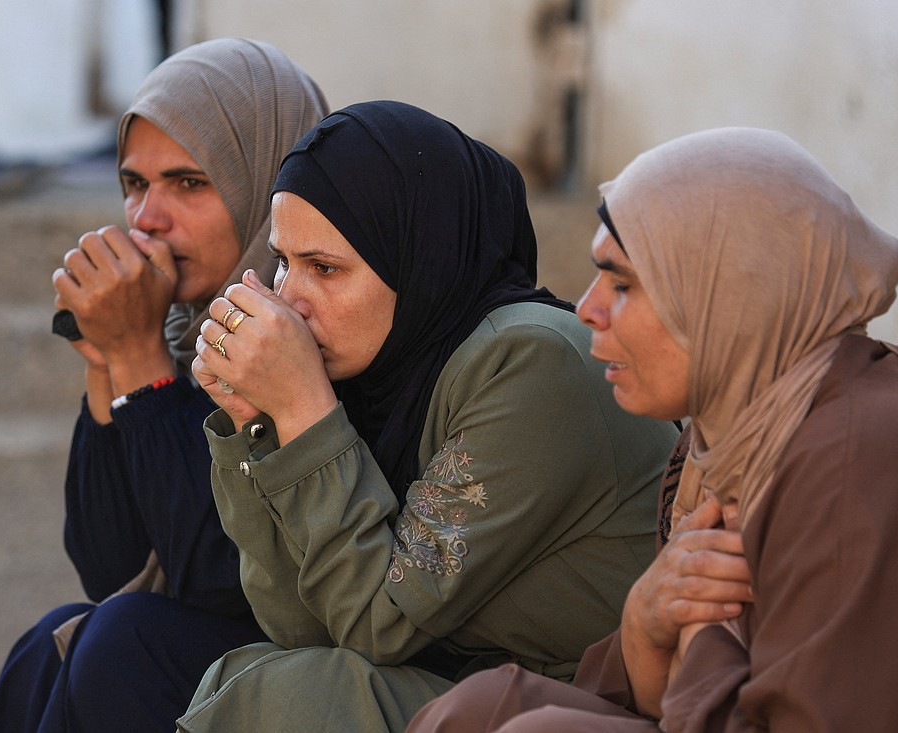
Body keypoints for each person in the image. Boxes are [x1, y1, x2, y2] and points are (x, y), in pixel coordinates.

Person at [405, 127, 898, 732]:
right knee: (477, 711)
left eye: (623, 283)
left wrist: (701, 634)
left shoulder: (853, 468)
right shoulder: (727, 440)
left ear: (729, 300)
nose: (588, 308)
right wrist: (644, 623)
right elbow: (658, 695)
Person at [173, 100, 679, 733]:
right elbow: (300, 622)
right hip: (481, 691)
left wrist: (303, 412)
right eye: (283, 262)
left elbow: (374, 626)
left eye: (325, 268)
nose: (288, 301)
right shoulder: (380, 374)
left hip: (589, 706)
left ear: (419, 258)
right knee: (197, 660)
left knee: (287, 696)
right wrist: (257, 424)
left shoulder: (530, 362)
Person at [0, 38, 330, 733]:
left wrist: (139, 355)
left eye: (189, 183)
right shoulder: (185, 334)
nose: (146, 220)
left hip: (317, 668)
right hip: (192, 650)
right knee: (52, 641)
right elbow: (110, 565)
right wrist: (107, 360)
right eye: (135, 185)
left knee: (119, 640)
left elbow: (213, 578)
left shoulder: (317, 334)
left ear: (268, 182)